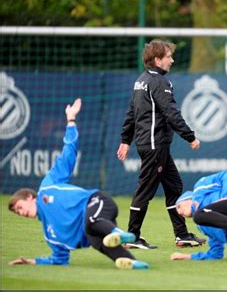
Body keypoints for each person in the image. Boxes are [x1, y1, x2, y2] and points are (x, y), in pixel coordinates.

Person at [8, 99, 148, 270]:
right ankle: (132, 262)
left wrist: (71, 120)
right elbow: (59, 259)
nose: (21, 213)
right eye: (17, 213)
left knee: (91, 222)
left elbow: (68, 154)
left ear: (30, 197)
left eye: (20, 207)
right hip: (96, 224)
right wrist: (32, 261)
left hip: (98, 202)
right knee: (96, 239)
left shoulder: (47, 186)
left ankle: (119, 235)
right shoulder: (50, 234)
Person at [117, 39, 206, 249]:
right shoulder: (159, 82)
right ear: (157, 60)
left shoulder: (141, 80)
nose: (172, 60)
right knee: (145, 191)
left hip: (154, 145)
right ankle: (132, 237)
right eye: (168, 57)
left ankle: (182, 235)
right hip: (154, 145)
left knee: (174, 186)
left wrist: (125, 140)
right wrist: (190, 136)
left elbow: (132, 113)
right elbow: (171, 113)